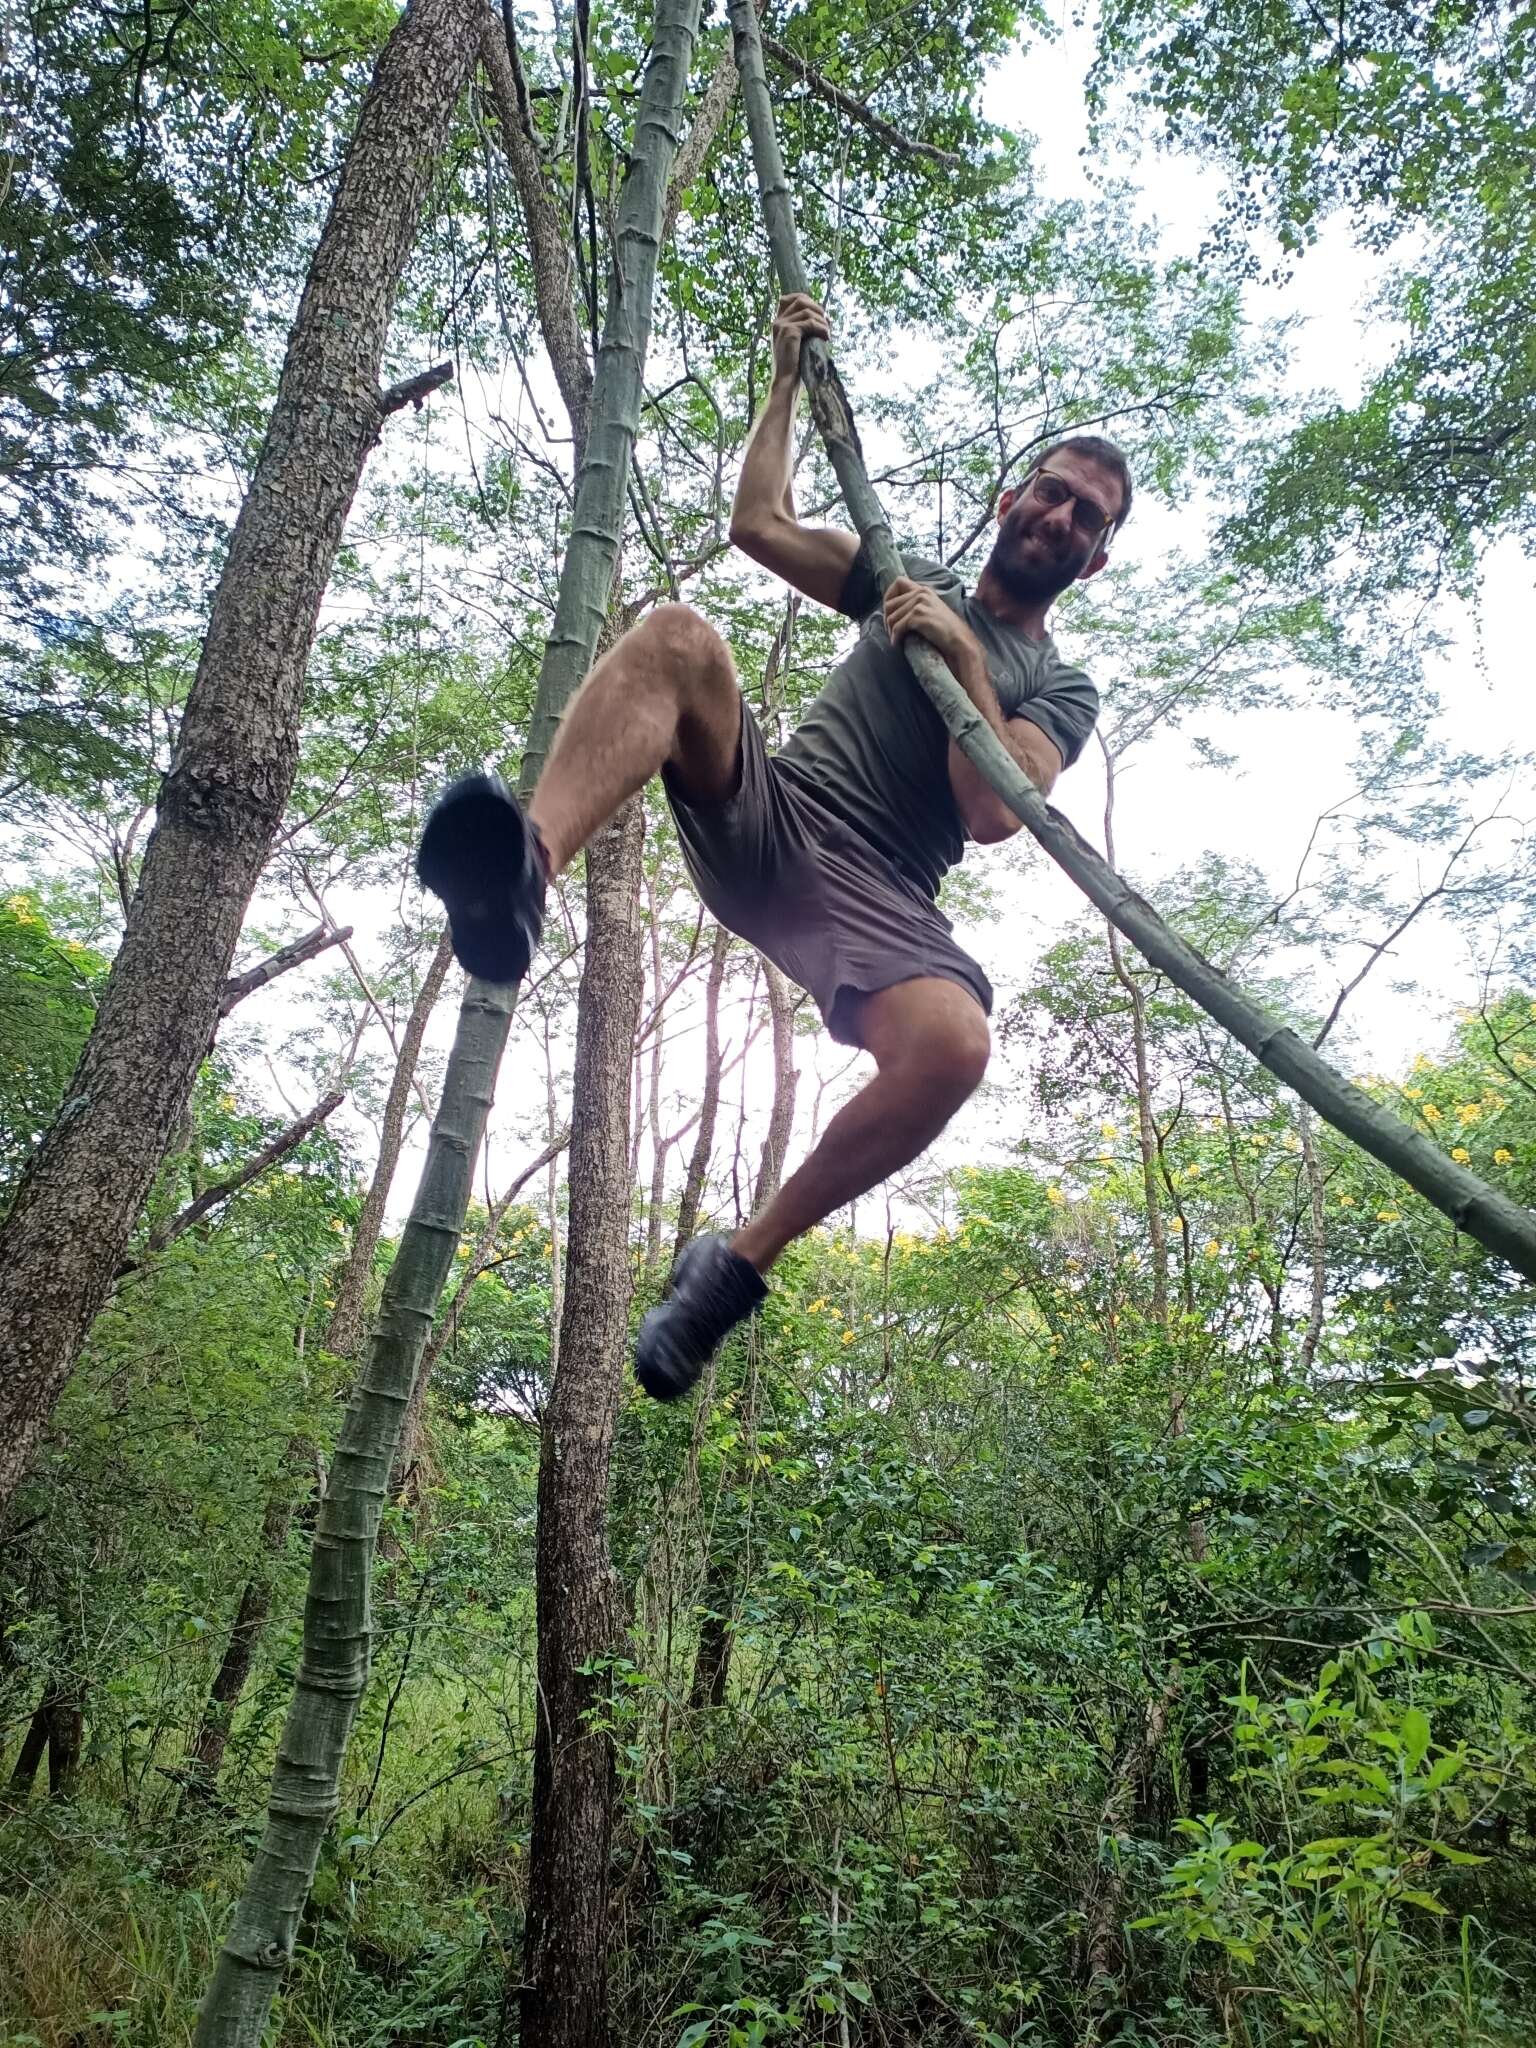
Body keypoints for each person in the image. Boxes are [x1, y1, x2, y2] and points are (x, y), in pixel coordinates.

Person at [417, 293, 1131, 1401]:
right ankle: (524, 870)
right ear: (1011, 497)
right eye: (1054, 491)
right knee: (678, 638)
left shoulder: (1061, 683)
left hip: (883, 888)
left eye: (1090, 518)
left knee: (954, 1045)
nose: (1064, 516)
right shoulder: (910, 576)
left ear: (1093, 562)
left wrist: (967, 663)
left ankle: (733, 1268)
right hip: (776, 812)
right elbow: (759, 523)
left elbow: (997, 809)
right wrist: (788, 377)